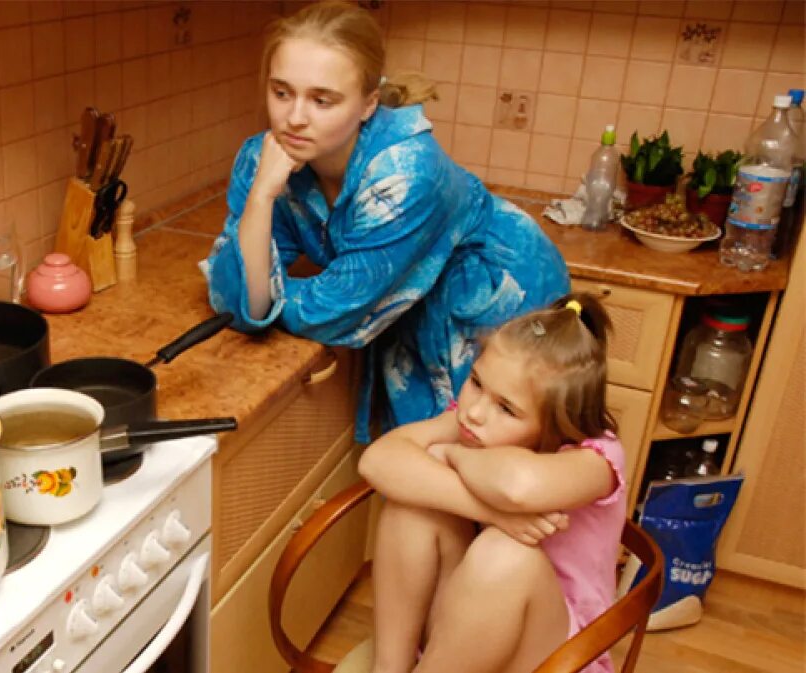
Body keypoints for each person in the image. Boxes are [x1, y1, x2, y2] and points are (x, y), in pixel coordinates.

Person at [201, 1, 570, 443]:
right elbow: (236, 303)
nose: (294, 118)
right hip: (414, 306)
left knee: (486, 471)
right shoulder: (264, 160)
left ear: (368, 103)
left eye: (322, 100)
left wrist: (272, 290)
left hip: (500, 302)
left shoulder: (407, 170)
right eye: (282, 93)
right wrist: (261, 198)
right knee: (427, 472)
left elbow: (331, 311)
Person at [356, 293, 626, 673]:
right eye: (477, 382)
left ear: (553, 425)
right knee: (415, 506)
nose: (476, 412)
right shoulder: (476, 422)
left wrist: (453, 455)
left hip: (559, 655)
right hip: (471, 630)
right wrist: (488, 512)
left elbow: (518, 488)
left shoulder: (597, 458)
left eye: (506, 408)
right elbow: (378, 461)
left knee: (505, 552)